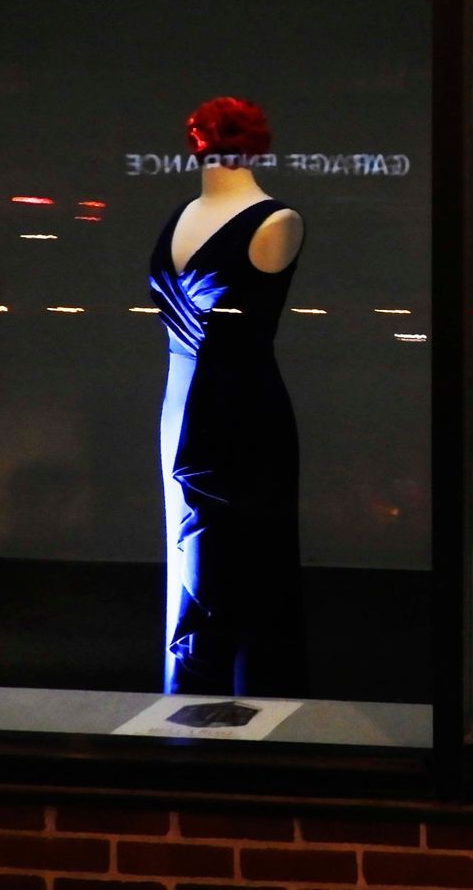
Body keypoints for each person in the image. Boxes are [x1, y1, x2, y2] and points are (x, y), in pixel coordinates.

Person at [146, 96, 306, 695]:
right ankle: (189, 700)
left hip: (241, 415)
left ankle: (243, 699)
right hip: (177, 407)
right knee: (185, 554)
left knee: (237, 566)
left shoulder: (277, 221)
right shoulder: (183, 213)